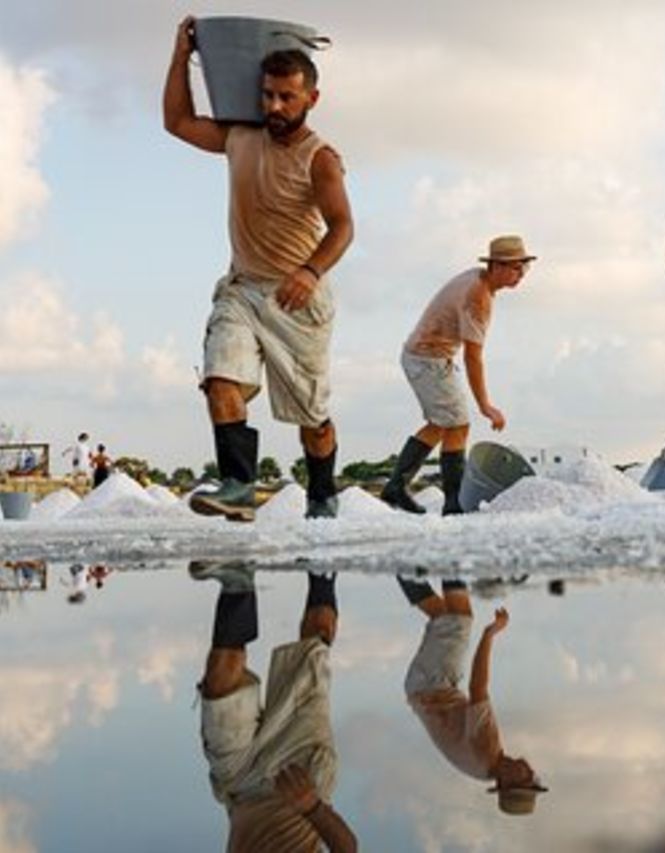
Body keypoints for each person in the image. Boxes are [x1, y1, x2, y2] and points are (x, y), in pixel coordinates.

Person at [164, 17, 355, 522]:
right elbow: (178, 122)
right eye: (268, 94)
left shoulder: (321, 159)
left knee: (313, 421)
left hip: (298, 300)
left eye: (286, 97)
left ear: (311, 99)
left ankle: (322, 492)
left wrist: (311, 271)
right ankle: (238, 487)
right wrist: (181, 56)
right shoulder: (240, 135)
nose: (273, 106)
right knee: (220, 379)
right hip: (243, 290)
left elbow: (342, 227)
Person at [190, 561, 357, 851]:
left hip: (240, 784)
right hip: (300, 781)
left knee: (219, 685)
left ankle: (237, 583)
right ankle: (322, 573)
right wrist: (312, 807)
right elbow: (347, 848)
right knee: (313, 648)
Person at [380, 237, 535, 515]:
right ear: (497, 266)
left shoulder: (477, 280)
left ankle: (396, 486)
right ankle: (453, 504)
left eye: (524, 267)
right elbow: (473, 357)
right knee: (459, 424)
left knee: (442, 424)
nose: (521, 275)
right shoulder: (478, 297)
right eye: (515, 268)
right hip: (428, 358)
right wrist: (485, 405)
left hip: (424, 356)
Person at [399, 575, 546, 815]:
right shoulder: (482, 769)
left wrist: (490, 633)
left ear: (505, 784)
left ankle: (446, 559)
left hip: (432, 686)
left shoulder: (487, 752)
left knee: (459, 619)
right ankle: (405, 567)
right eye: (534, 779)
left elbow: (478, 688)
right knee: (443, 615)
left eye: (527, 779)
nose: (531, 772)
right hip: (430, 689)